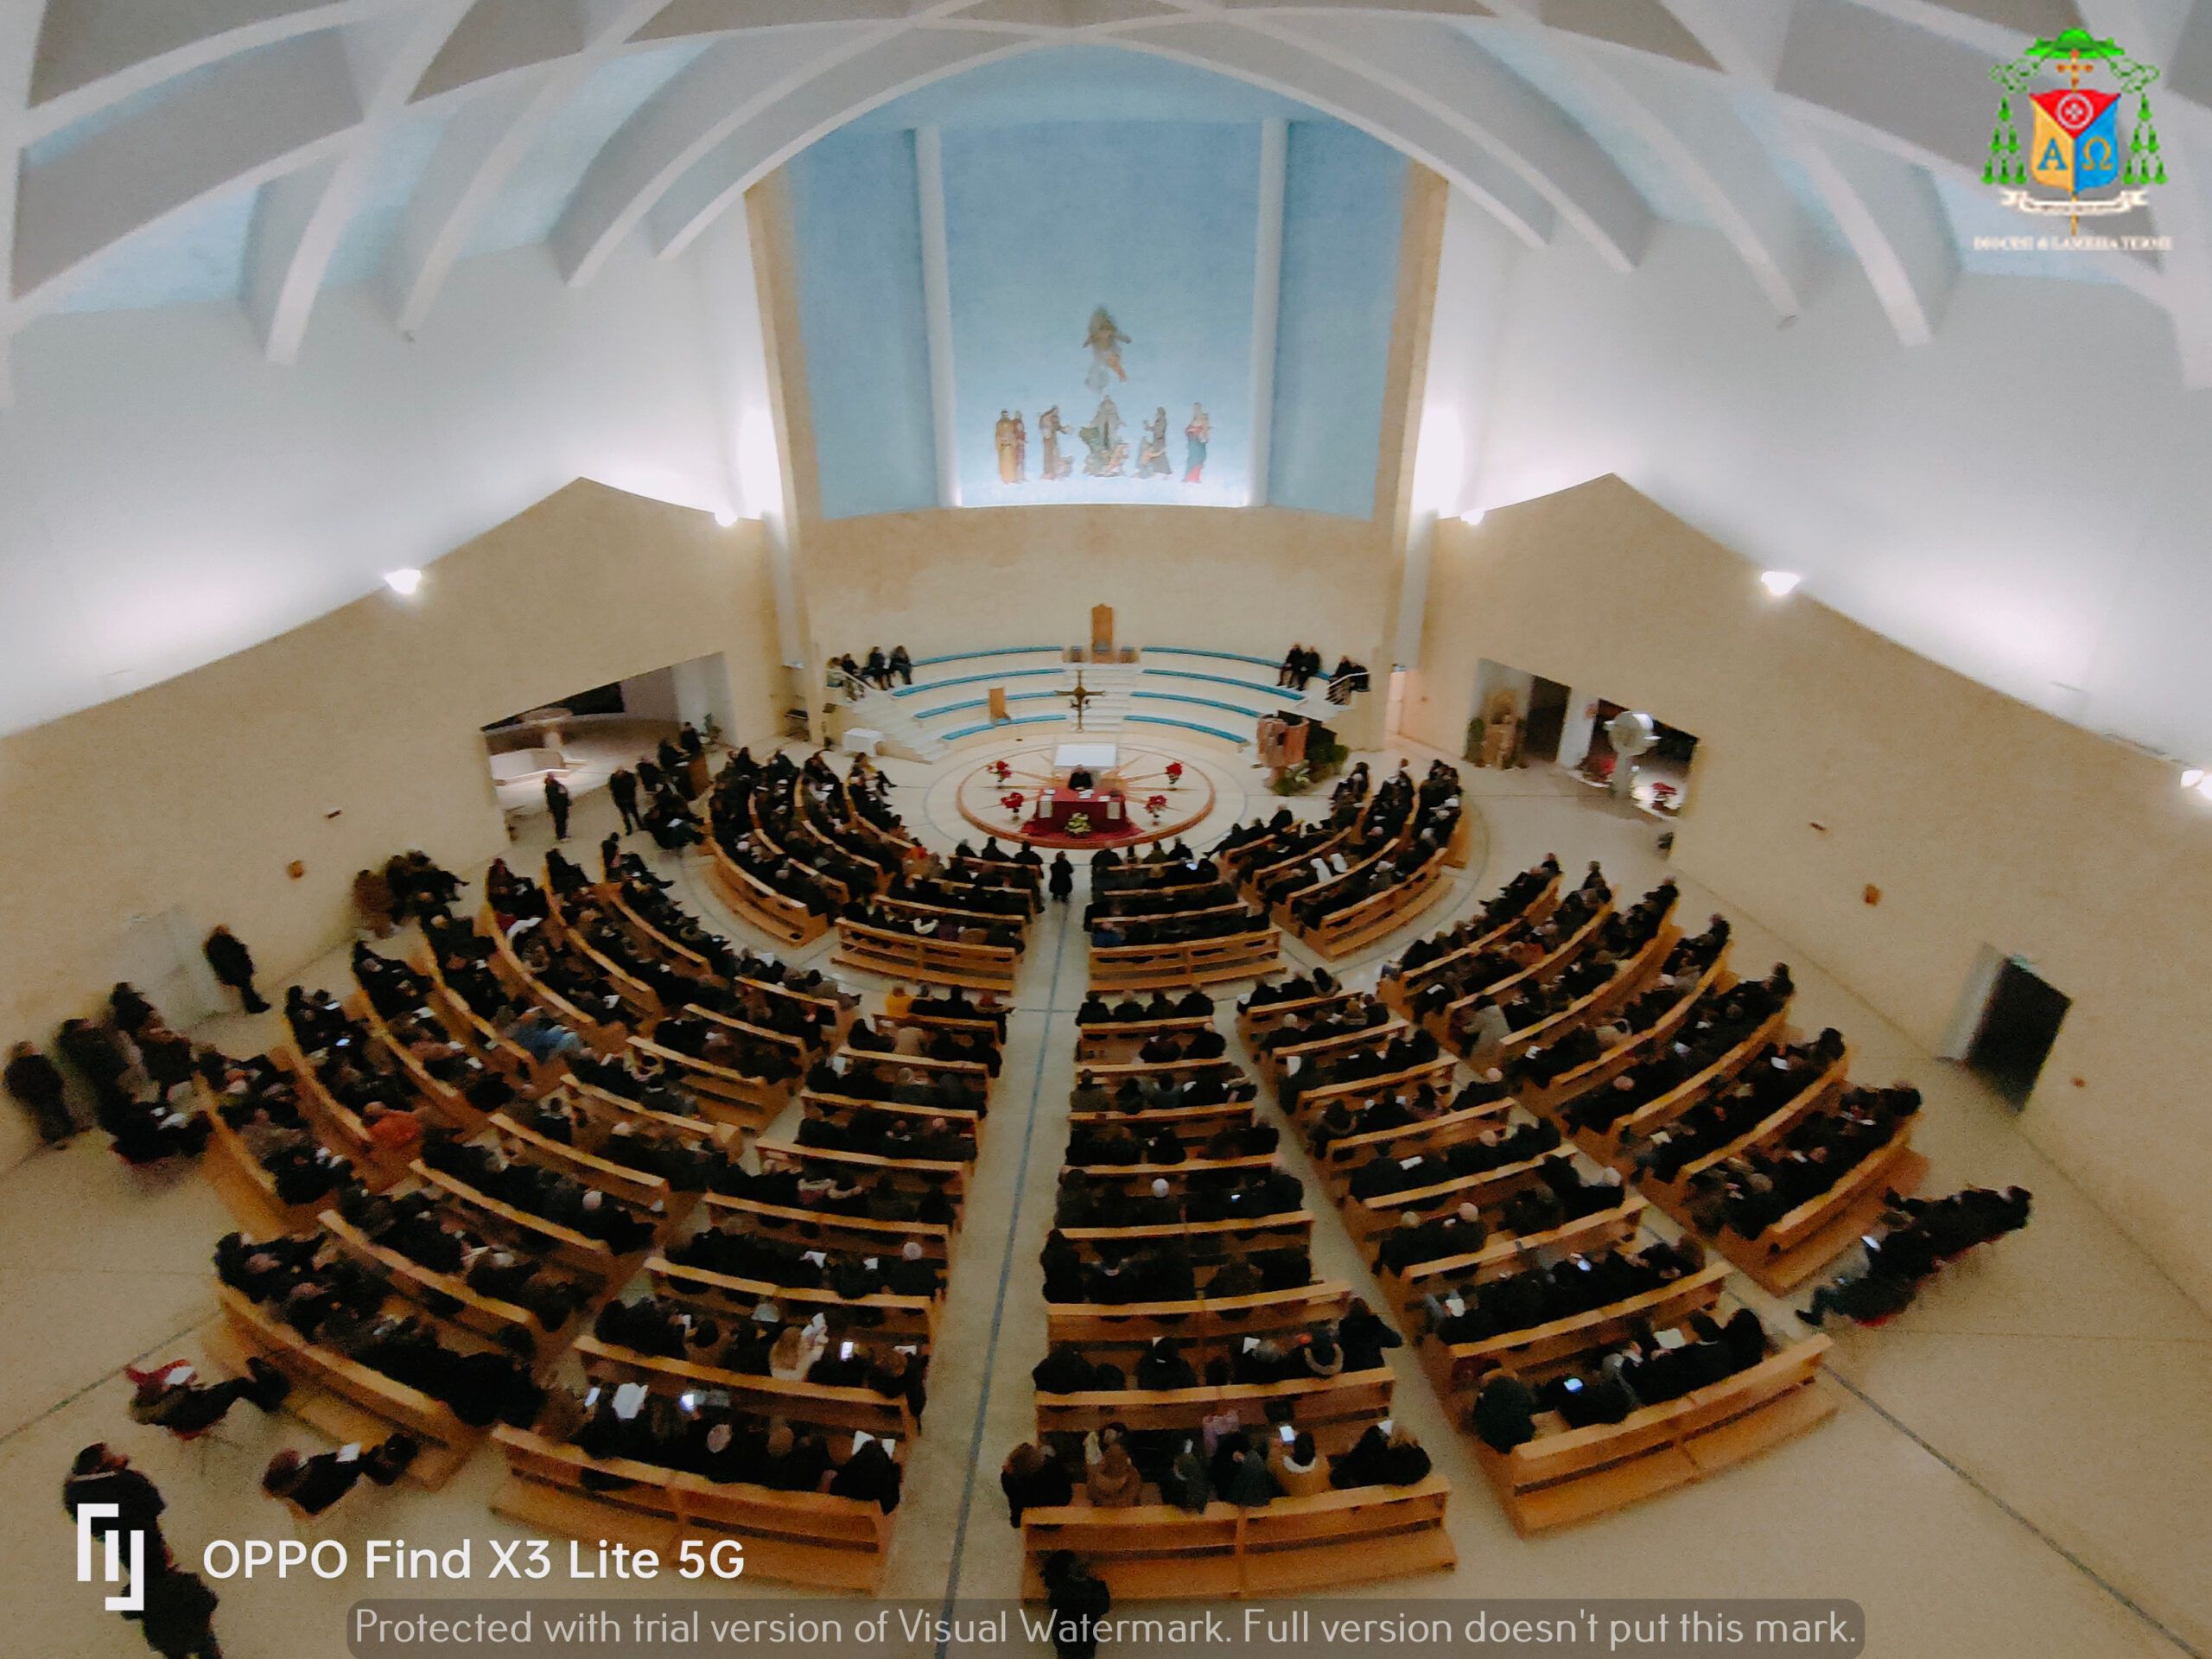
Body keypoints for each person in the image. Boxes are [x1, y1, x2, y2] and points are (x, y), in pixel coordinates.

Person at [261, 1434, 419, 1514]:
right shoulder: (322, 1475)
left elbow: (330, 1460)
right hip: (329, 1487)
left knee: (355, 1452)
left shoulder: (281, 1484)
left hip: (309, 1499)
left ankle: (381, 1458)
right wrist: (355, 1454)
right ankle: (387, 1469)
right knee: (359, 1455)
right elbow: (343, 1476)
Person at [124, 1560, 224, 1659]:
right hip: (196, 1631)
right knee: (207, 1645)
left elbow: (128, 1612)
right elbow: (210, 1601)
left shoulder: (141, 1591)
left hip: (166, 1640)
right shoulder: (183, 1581)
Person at [1041, 1551, 1112, 1659]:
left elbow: (1102, 1606)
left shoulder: (1060, 1590)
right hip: (1077, 1642)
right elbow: (1102, 1606)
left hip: (1075, 1642)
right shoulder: (1062, 1591)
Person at [6, 1039, 76, 1143]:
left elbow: (51, 1072)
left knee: (60, 1110)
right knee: (47, 1115)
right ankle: (56, 1137)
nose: (33, 1048)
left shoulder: (39, 1059)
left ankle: (69, 1130)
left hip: (51, 1090)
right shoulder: (16, 1067)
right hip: (37, 1095)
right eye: (29, 1047)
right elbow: (16, 1084)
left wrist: (57, 1083)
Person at [202, 927, 267, 1014]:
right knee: (247, 988)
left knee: (246, 988)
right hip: (238, 969)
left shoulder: (213, 945)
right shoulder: (225, 942)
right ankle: (255, 1006)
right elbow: (236, 953)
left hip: (232, 972)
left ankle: (254, 1006)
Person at [608, 768, 640, 833]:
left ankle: (638, 825)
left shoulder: (628, 778)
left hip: (628, 799)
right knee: (626, 815)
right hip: (622, 801)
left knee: (634, 813)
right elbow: (613, 789)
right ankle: (629, 828)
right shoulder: (614, 780)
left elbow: (633, 785)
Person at [544, 775, 571, 841]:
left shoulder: (553, 786)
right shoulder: (553, 787)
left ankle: (561, 834)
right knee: (560, 821)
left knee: (560, 821)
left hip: (559, 806)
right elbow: (562, 795)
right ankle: (562, 835)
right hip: (559, 806)